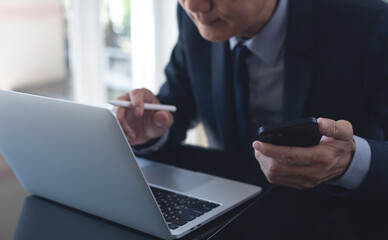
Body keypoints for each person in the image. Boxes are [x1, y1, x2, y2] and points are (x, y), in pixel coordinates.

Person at [115, 0, 388, 238]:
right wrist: (151, 128)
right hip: (232, 219)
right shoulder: (194, 19)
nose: (194, 6)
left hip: (341, 221)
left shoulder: (369, 23)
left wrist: (349, 162)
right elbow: (178, 101)